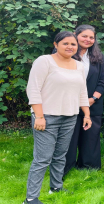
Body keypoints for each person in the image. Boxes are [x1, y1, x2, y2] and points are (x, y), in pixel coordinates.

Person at [24, 31, 92, 204]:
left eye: (73, 44)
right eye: (65, 43)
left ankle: (56, 187)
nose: (70, 47)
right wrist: (39, 116)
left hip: (69, 117)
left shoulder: (79, 66)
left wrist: (87, 114)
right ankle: (30, 198)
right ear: (56, 44)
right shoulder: (44, 61)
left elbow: (82, 92)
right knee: (42, 158)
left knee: (60, 155)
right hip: (46, 117)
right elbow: (33, 89)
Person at [64, 25, 104, 176]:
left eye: (91, 37)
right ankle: (66, 167)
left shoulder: (98, 56)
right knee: (69, 137)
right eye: (84, 36)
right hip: (69, 102)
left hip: (92, 103)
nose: (88, 40)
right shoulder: (65, 53)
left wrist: (94, 98)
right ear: (75, 35)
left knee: (90, 136)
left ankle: (88, 166)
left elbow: (103, 80)